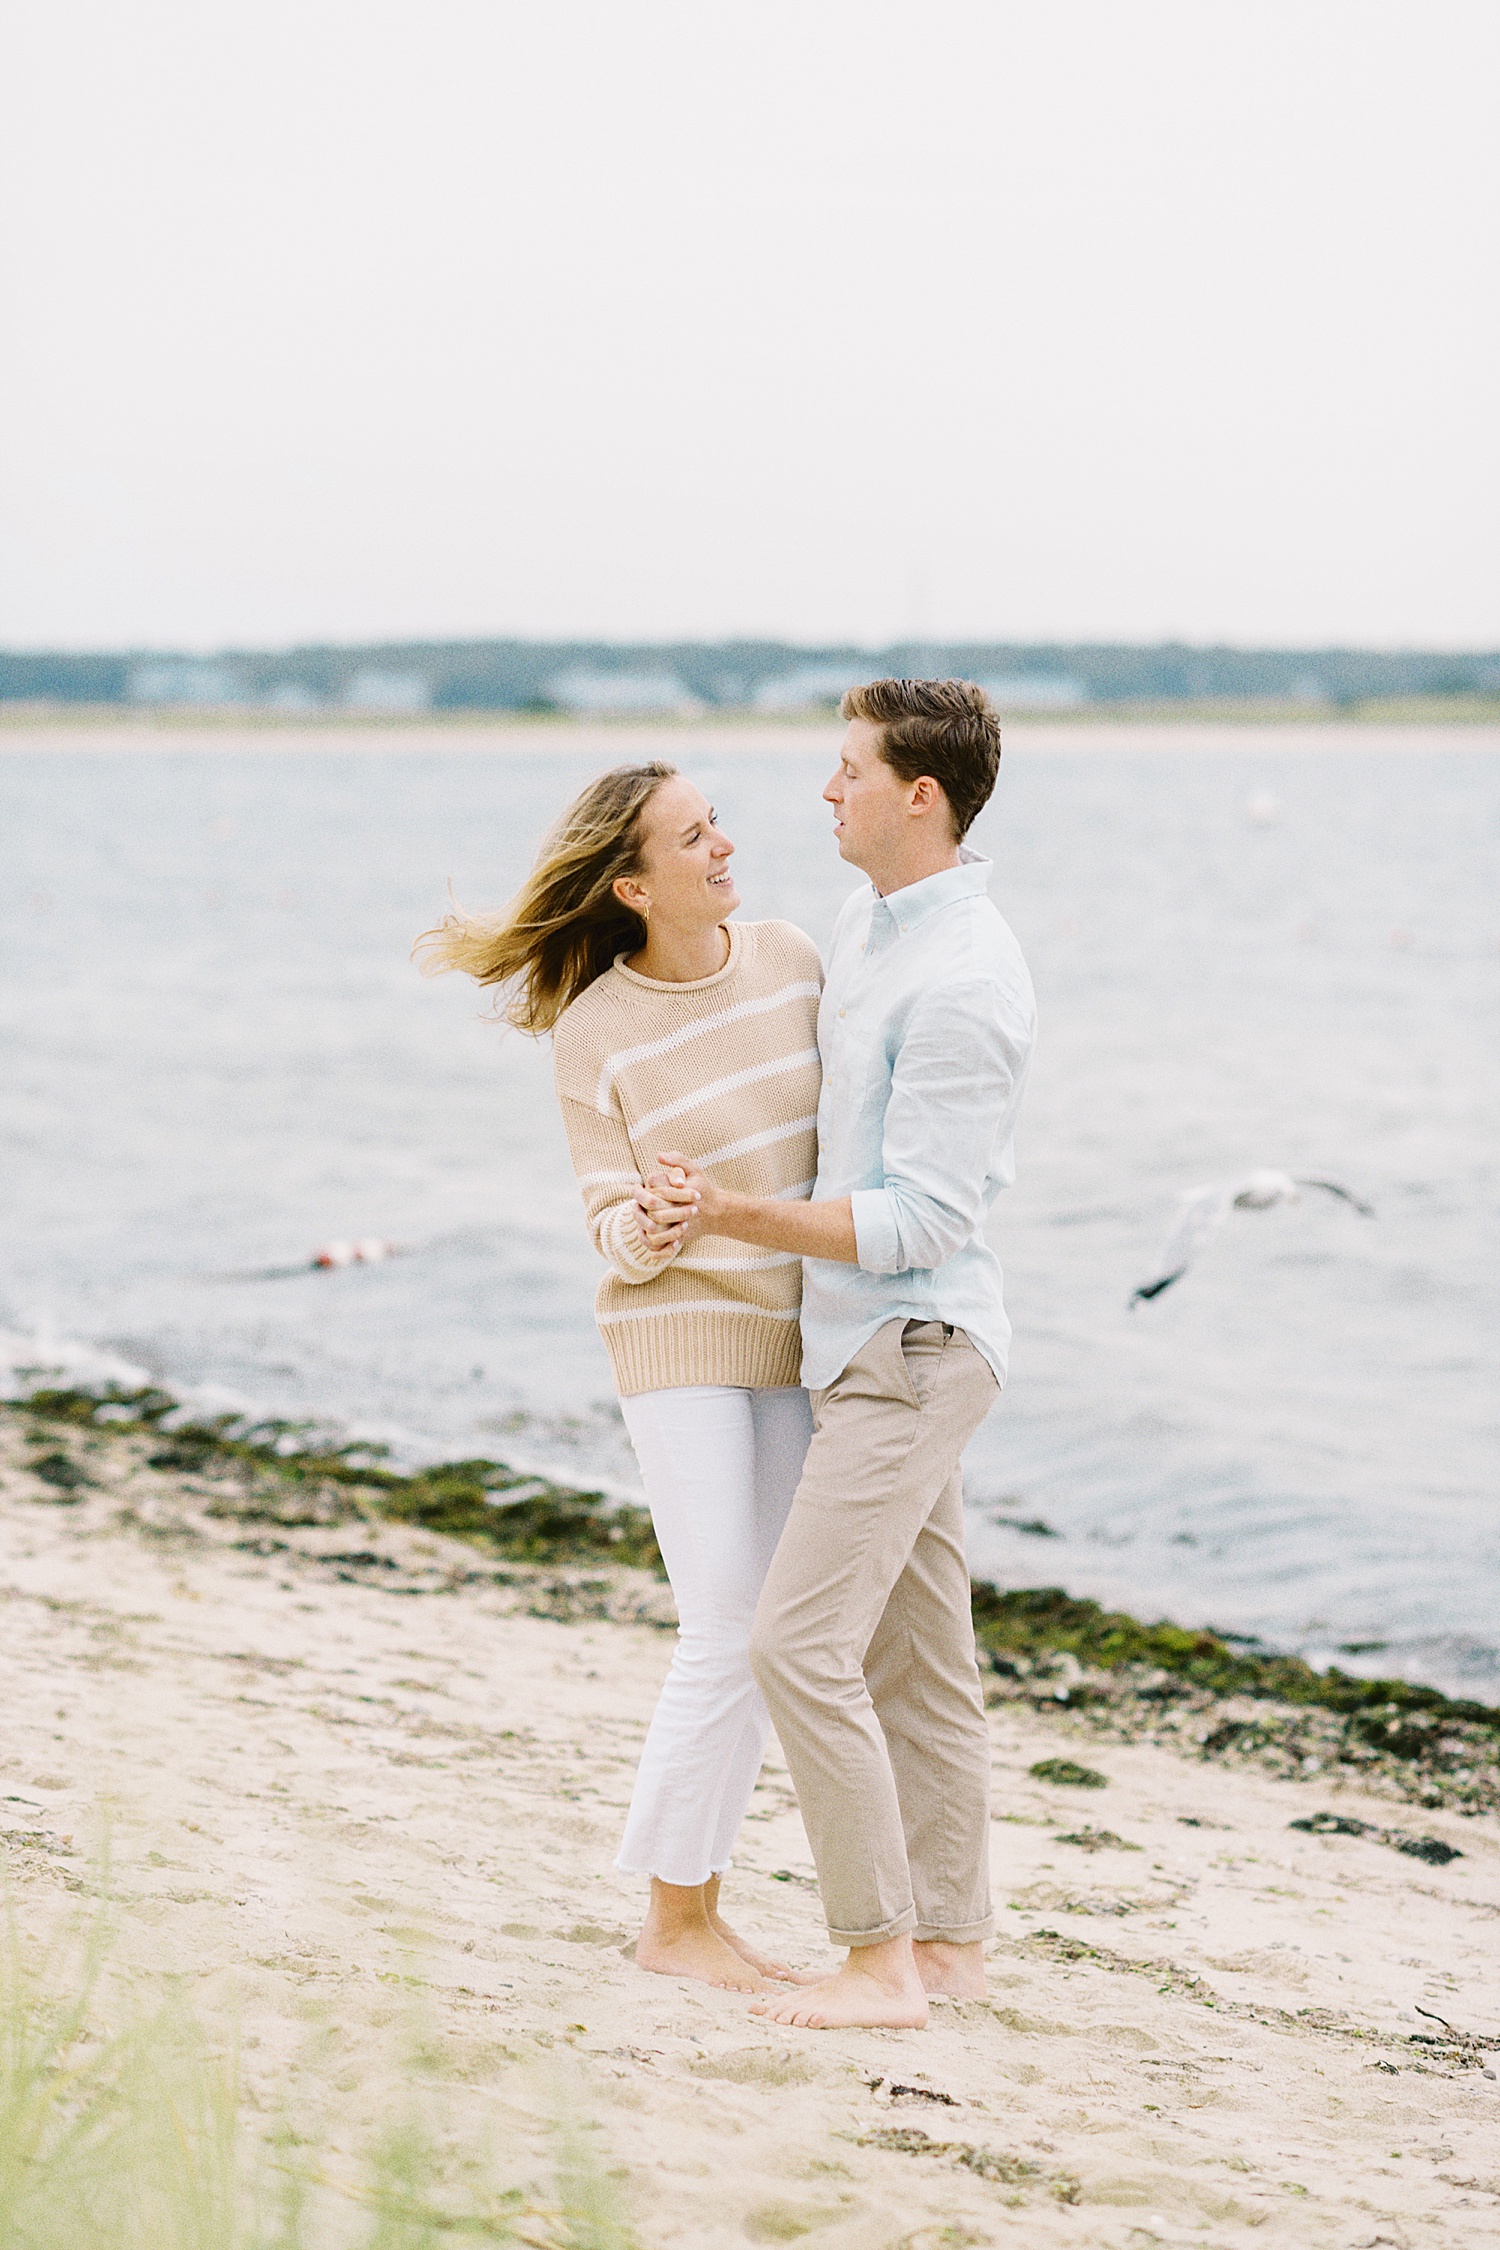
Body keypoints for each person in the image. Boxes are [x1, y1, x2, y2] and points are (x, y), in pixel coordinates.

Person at [638, 678, 1036, 2029]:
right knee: (920, 1664)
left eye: (847, 767)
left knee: (796, 1643)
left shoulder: (969, 975)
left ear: (917, 796)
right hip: (859, 1344)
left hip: (917, 1347)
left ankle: (877, 1961)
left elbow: (928, 1216)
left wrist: (732, 1213)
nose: (825, 790)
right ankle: (953, 1953)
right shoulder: (865, 927)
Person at [416, 762, 824, 1992]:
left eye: (717, 824)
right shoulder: (596, 1029)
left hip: (802, 1334)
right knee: (724, 1627)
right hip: (676, 1339)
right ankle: (674, 1924)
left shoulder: (797, 960)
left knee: (778, 1635)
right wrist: (653, 1219)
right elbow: (607, 1222)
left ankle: (697, 1914)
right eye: (694, 837)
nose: (723, 846)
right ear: (635, 884)